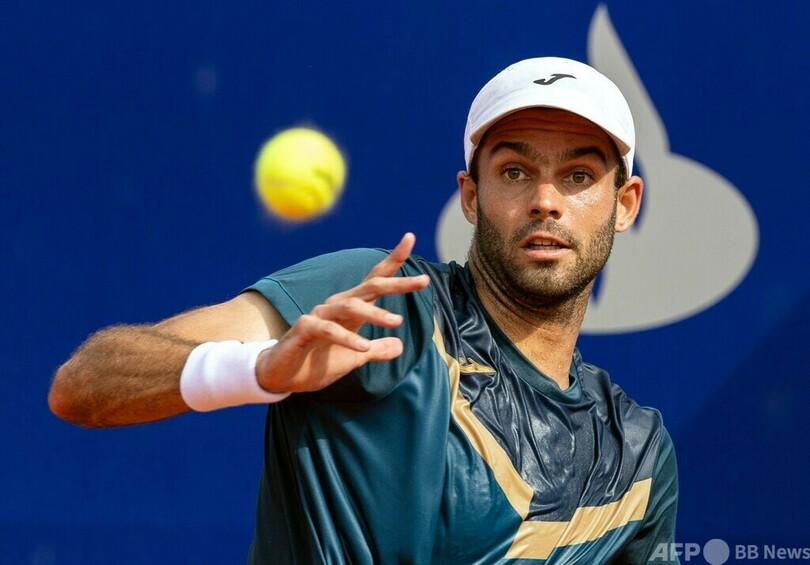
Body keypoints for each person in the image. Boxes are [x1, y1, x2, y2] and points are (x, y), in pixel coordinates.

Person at [50, 57, 678, 563]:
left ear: (625, 203)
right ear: (470, 196)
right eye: (514, 171)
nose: (545, 200)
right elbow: (83, 384)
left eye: (577, 176)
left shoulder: (638, 457)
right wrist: (260, 369)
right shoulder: (381, 301)